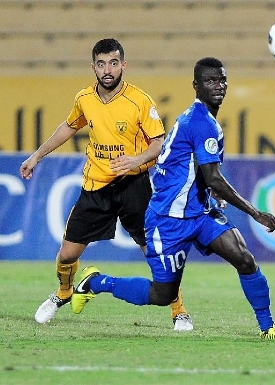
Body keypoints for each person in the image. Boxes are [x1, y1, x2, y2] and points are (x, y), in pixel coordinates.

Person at [70, 57, 275, 340]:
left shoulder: (205, 121)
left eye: (222, 80)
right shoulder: (199, 122)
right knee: (162, 294)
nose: (219, 86)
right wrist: (255, 213)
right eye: (210, 80)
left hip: (200, 214)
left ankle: (268, 328)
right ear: (196, 85)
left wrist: (212, 192)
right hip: (168, 219)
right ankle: (98, 282)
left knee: (244, 259)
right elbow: (213, 177)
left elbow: (201, 173)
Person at [20, 38, 193, 331]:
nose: (108, 70)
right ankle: (64, 293)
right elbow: (69, 126)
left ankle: (180, 312)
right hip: (96, 186)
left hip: (133, 186)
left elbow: (158, 144)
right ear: (94, 67)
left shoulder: (139, 100)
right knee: (67, 255)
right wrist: (37, 155)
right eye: (101, 64)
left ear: (123, 65)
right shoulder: (84, 98)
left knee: (153, 252)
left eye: (113, 63)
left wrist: (134, 160)